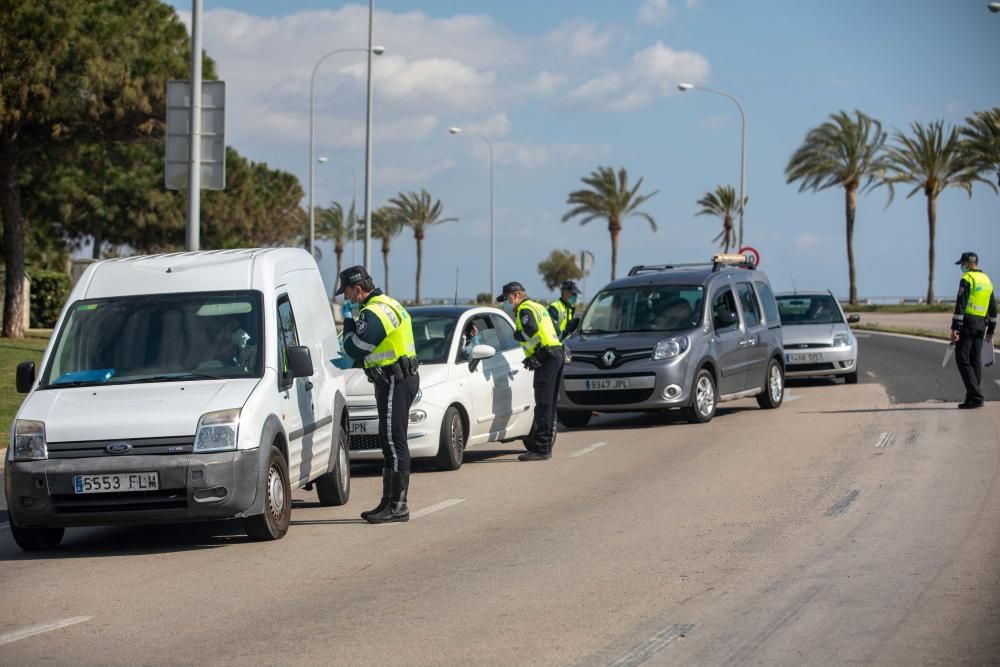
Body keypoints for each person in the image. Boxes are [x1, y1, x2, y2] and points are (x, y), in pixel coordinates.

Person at [332, 265, 420, 522]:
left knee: (394, 442)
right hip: (393, 377)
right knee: (388, 440)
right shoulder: (389, 303)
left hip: (396, 379)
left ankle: (398, 506)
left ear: (358, 289)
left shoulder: (375, 311)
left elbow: (356, 346)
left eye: (347, 294)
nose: (347, 299)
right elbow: (377, 349)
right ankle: (388, 502)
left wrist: (348, 321)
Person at [498, 281, 564, 461]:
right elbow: (556, 331)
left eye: (506, 298)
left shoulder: (525, 309)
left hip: (547, 358)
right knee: (549, 404)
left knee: (543, 404)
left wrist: (517, 335)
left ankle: (541, 449)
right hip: (556, 354)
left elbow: (531, 330)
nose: (506, 302)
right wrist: (535, 353)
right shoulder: (538, 307)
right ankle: (545, 446)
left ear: (517, 295)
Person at [950, 252, 997, 409]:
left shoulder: (967, 279)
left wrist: (955, 328)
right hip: (981, 325)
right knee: (974, 360)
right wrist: (991, 327)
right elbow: (993, 306)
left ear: (968, 263)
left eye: (962, 264)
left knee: (962, 358)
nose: (961, 267)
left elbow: (961, 304)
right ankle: (972, 397)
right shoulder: (987, 280)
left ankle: (976, 395)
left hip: (968, 323)